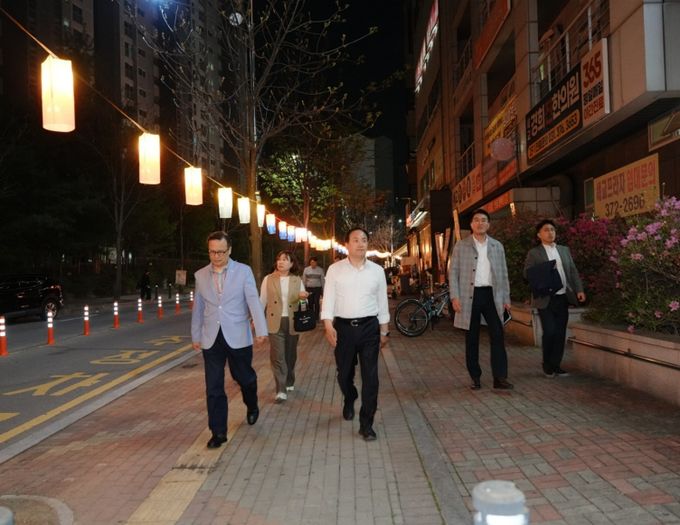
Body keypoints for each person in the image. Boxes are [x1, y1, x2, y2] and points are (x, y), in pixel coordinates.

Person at [191, 231, 268, 449]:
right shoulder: (200, 275)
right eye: (212, 252)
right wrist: (196, 335)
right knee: (213, 386)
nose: (216, 256)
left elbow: (253, 300)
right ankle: (218, 432)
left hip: (238, 335)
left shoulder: (243, 271)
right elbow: (198, 307)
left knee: (244, 377)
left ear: (229, 250)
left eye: (221, 252)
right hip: (211, 338)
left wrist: (260, 329)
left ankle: (251, 404)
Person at [320, 227, 390, 441]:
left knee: (371, 378)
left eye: (364, 240)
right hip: (344, 328)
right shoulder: (335, 269)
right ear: (347, 244)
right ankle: (349, 397)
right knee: (344, 374)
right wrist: (327, 324)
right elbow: (328, 298)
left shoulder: (377, 271)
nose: (361, 243)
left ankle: (366, 424)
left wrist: (384, 330)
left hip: (369, 328)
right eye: (356, 240)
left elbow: (382, 301)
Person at [449, 208, 513, 390]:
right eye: (476, 220)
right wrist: (455, 297)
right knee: (472, 337)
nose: (480, 223)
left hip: (492, 295)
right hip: (470, 296)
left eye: (484, 220)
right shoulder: (461, 246)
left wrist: (506, 298)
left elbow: (504, 274)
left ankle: (500, 377)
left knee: (498, 335)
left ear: (489, 224)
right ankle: (475, 377)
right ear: (471, 224)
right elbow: (453, 273)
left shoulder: (497, 246)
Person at [524, 219, 586, 377]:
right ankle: (547, 364)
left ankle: (556, 365)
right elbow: (527, 273)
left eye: (552, 229)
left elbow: (572, 271)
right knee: (550, 331)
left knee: (560, 333)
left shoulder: (564, 250)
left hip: (562, 297)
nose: (550, 232)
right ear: (539, 235)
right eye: (546, 230)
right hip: (545, 299)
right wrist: (544, 271)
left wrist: (579, 289)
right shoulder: (534, 253)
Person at [260, 250, 308, 403]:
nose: (281, 262)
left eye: (285, 259)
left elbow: (304, 303)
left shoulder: (296, 280)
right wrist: (258, 321)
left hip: (292, 322)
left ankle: (289, 379)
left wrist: (303, 298)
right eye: (279, 259)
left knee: (290, 355)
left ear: (291, 263)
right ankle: (280, 390)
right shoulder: (268, 279)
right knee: (277, 356)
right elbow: (262, 301)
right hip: (274, 321)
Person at [302, 256, 325, 321]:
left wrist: (324, 290)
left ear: (316, 263)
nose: (313, 264)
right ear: (310, 263)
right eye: (312, 262)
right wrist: (303, 289)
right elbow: (304, 279)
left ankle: (316, 317)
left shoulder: (320, 270)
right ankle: (311, 316)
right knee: (310, 302)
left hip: (317, 288)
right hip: (309, 288)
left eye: (314, 262)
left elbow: (322, 280)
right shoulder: (306, 269)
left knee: (316, 302)